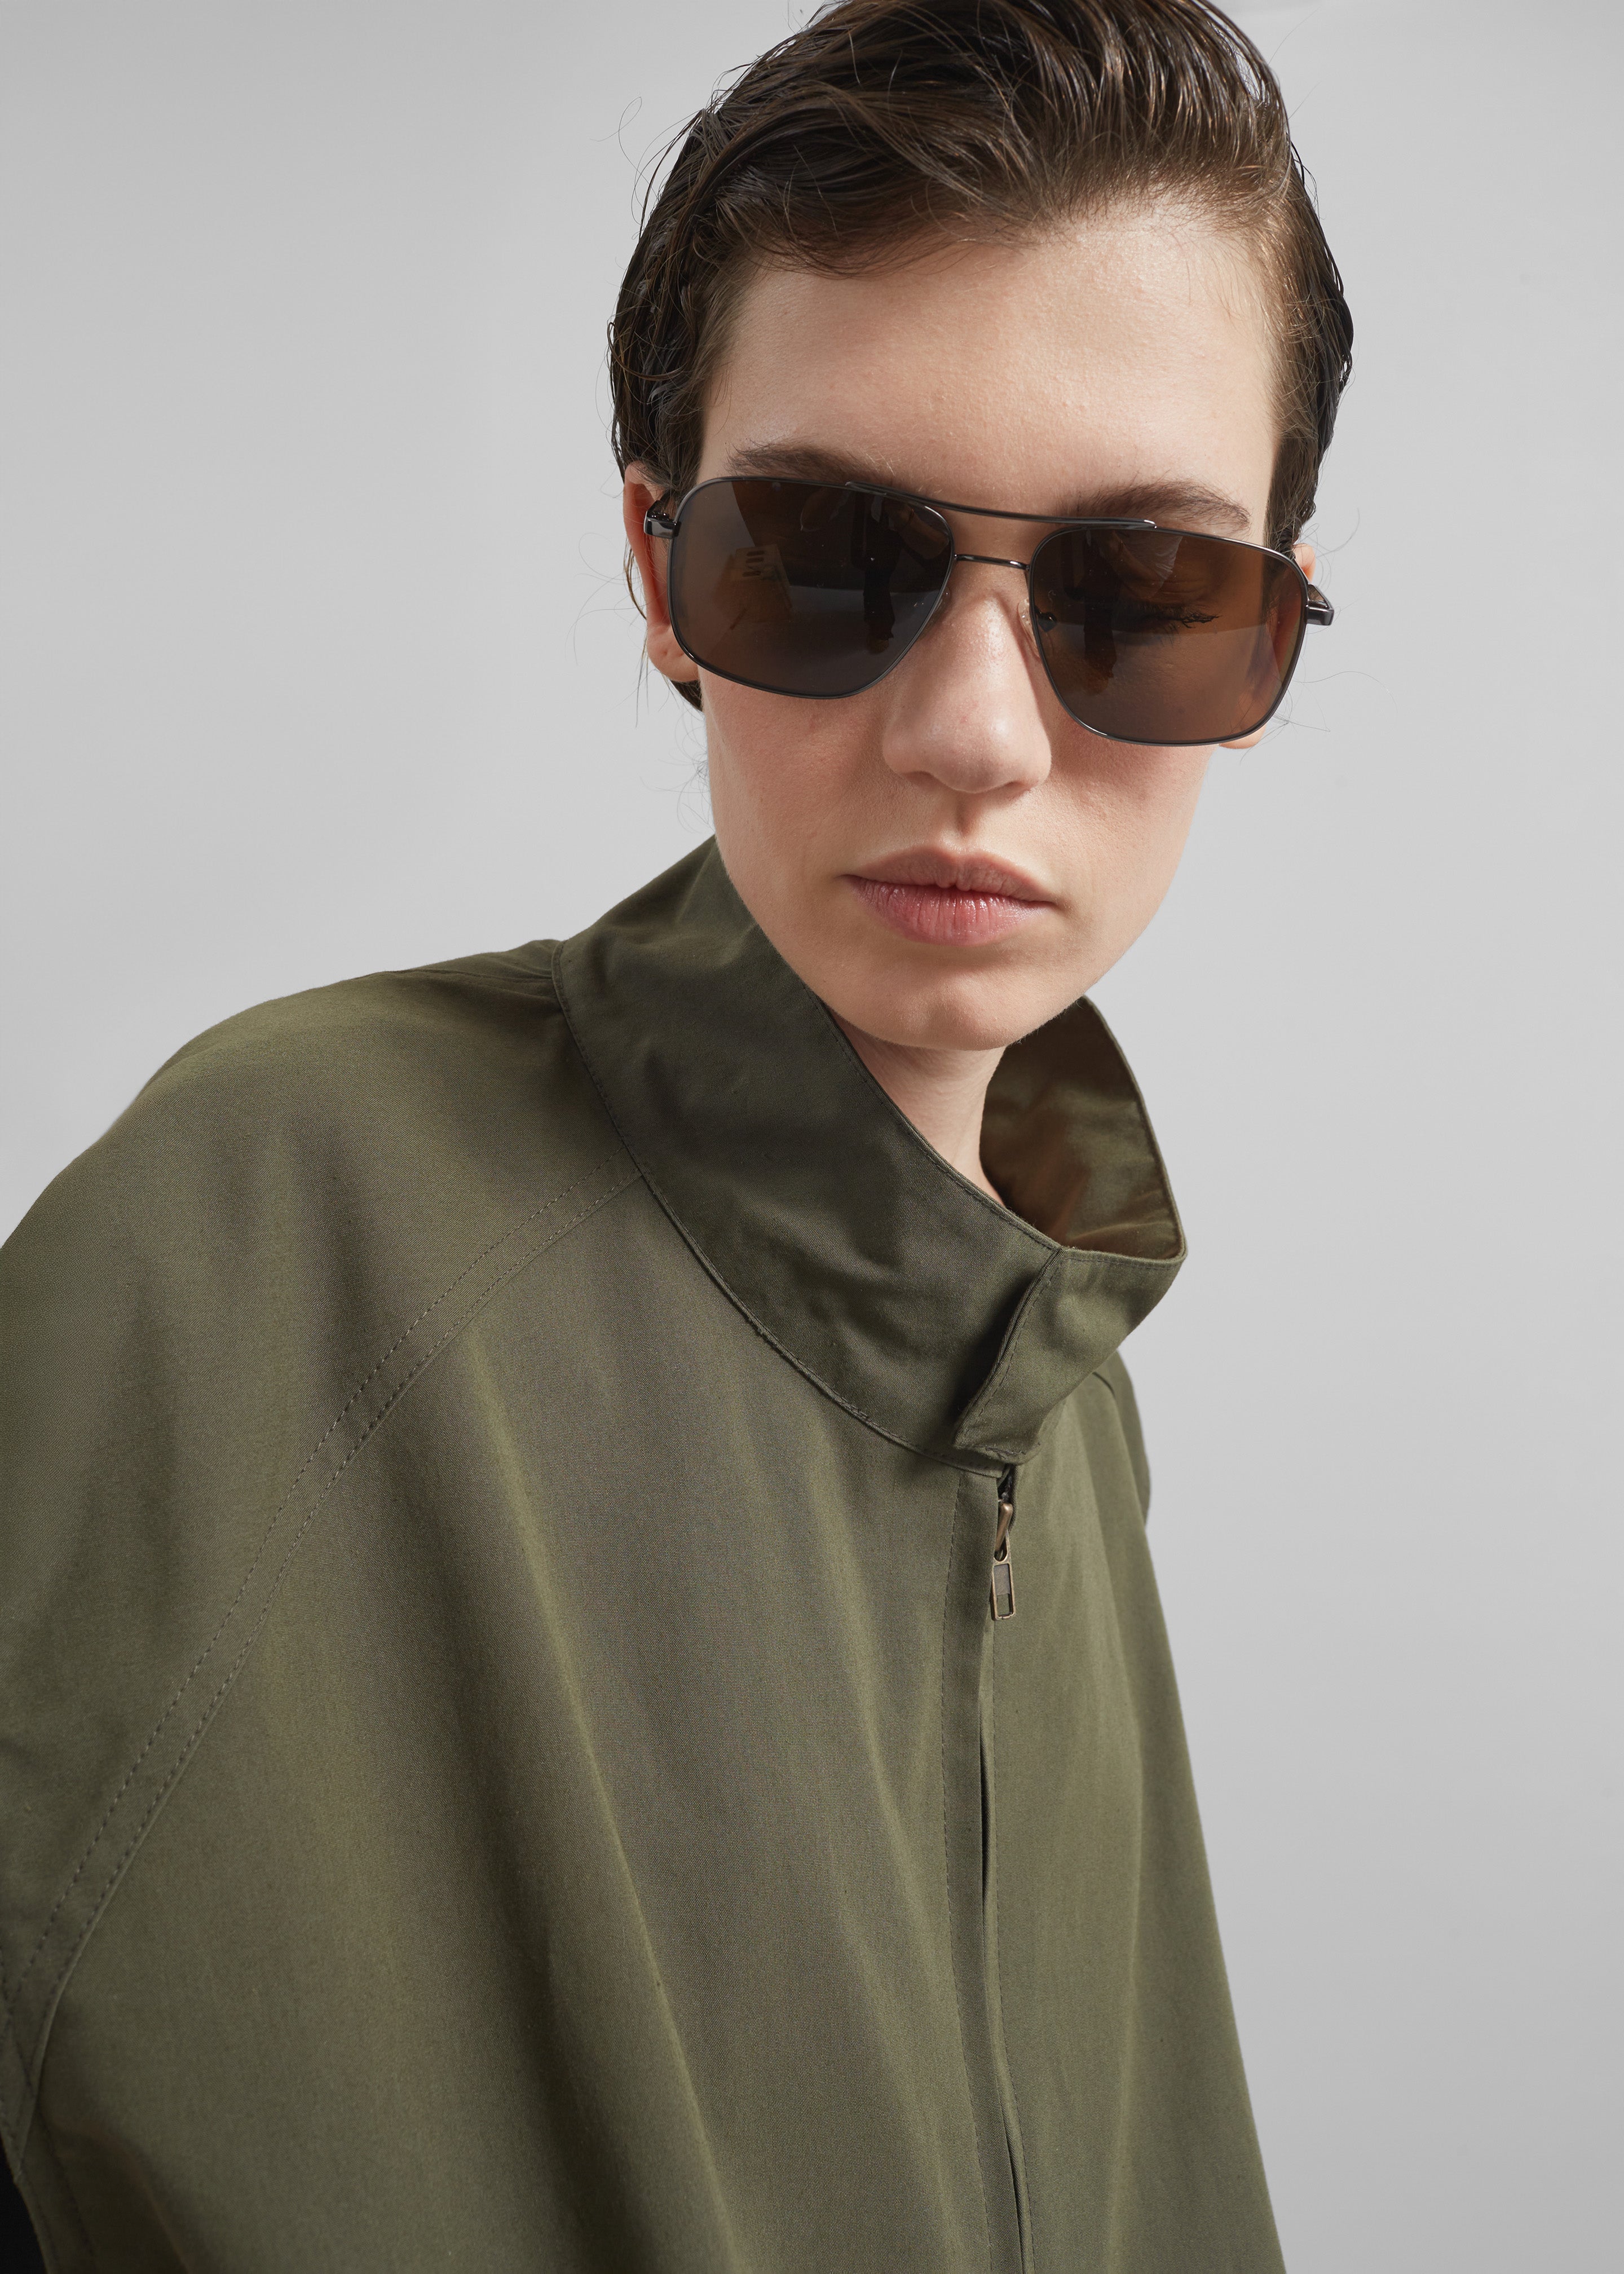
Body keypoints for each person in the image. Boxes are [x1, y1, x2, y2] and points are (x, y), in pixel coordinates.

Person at [0, 1, 1351, 2266]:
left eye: (1145, 594)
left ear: (1272, 637)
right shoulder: (265, 1229)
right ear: (659, 579)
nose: (974, 733)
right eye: (825, 554)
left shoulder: (1063, 1372)